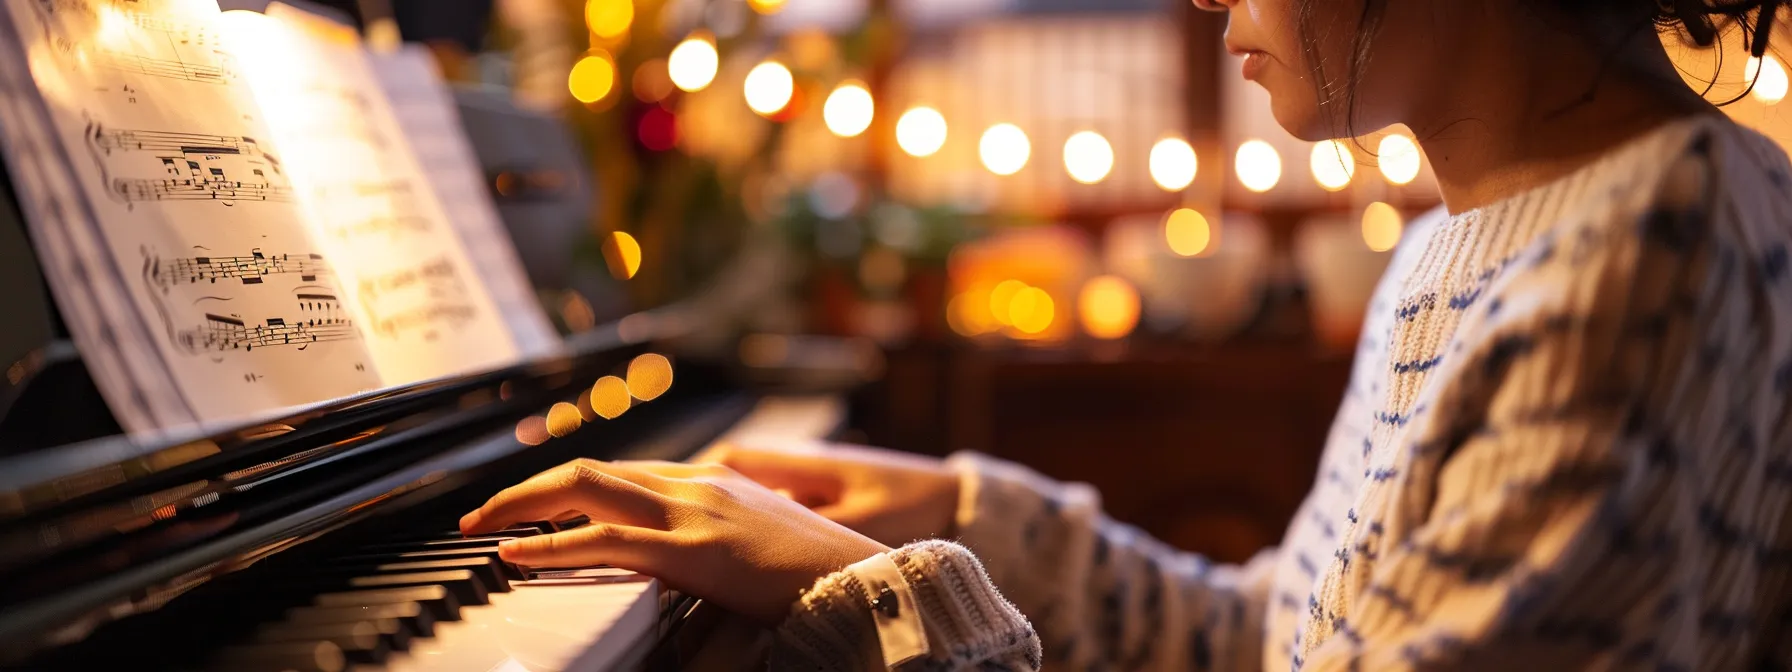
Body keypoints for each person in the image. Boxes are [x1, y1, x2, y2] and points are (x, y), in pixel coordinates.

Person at [460, 0, 1792, 668]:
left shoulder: (1631, 269)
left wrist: (878, 595)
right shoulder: (1490, 223)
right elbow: (1291, 631)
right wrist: (970, 512)